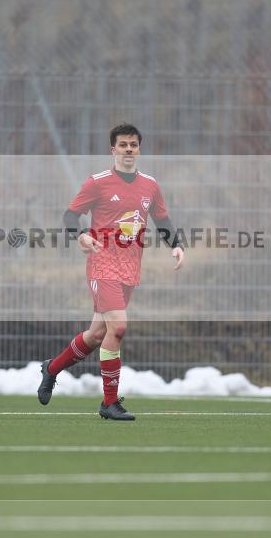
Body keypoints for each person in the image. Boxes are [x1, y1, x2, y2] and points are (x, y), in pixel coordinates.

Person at [37, 124, 184, 420]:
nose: (129, 149)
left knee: (96, 335)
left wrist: (176, 245)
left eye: (133, 144)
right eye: (123, 144)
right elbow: (70, 216)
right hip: (101, 264)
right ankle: (109, 403)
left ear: (139, 149)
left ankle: (51, 368)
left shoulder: (150, 185)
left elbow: (162, 219)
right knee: (118, 327)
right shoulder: (98, 183)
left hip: (130, 268)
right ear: (113, 150)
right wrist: (80, 236)